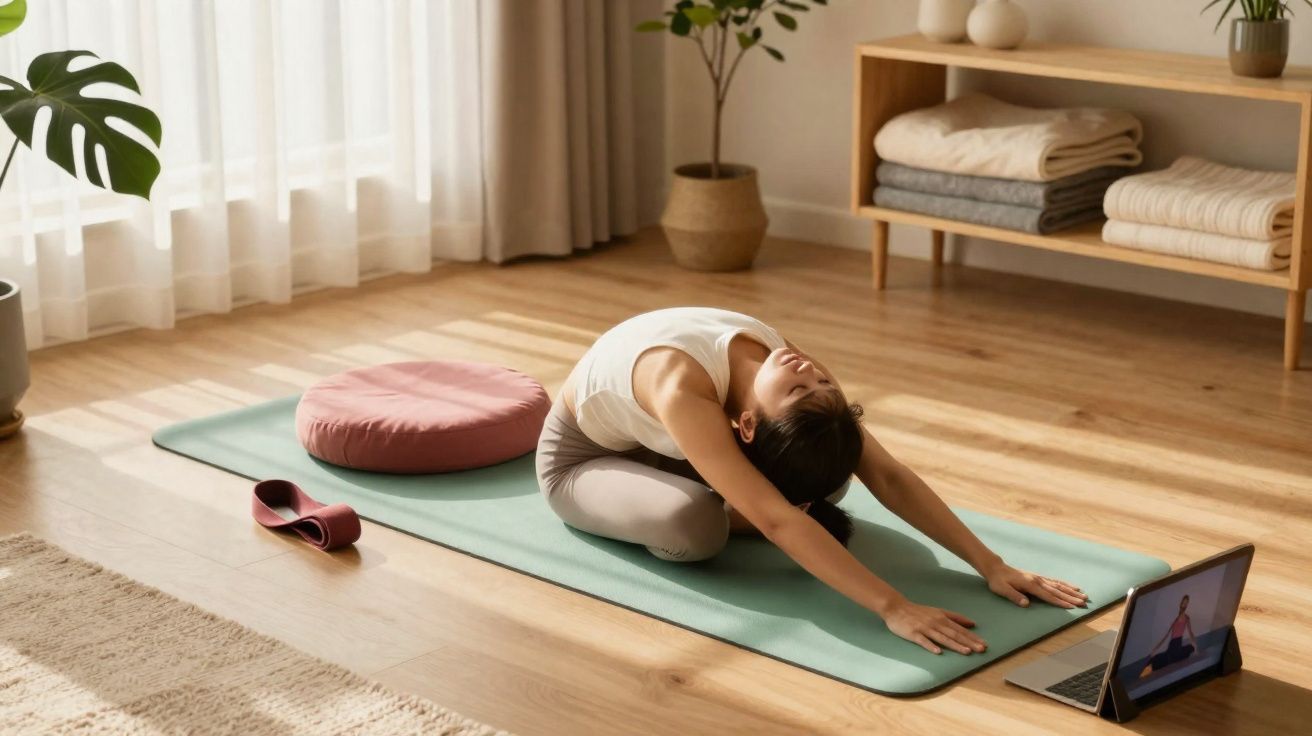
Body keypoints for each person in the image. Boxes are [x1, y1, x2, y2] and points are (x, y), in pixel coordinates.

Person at [535, 306, 1088, 655]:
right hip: (585, 459)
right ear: (746, 426)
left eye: (819, 382)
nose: (808, 372)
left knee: (831, 468)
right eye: (805, 386)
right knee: (695, 525)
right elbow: (776, 520)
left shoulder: (787, 374)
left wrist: (992, 565)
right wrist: (894, 606)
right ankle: (730, 499)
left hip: (677, 446)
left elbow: (888, 475)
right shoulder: (684, 384)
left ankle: (743, 489)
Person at [1139, 595, 1200, 678]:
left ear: (1187, 605)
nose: (1184, 605)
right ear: (1181, 604)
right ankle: (1143, 672)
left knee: (1169, 659)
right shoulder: (1175, 618)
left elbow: (1190, 632)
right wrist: (1156, 649)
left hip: (1177, 644)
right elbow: (1166, 635)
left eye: (1186, 603)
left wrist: (1195, 645)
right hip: (1172, 644)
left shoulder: (1186, 618)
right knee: (1161, 658)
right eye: (1183, 602)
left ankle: (1147, 671)